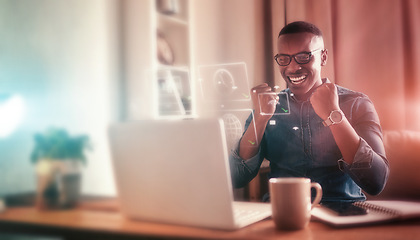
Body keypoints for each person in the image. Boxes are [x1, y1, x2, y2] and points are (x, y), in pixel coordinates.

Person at [229, 21, 389, 203]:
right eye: (284, 59)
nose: (292, 68)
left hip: (342, 215)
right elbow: (236, 177)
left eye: (303, 56)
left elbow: (376, 181)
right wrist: (259, 120)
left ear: (323, 57)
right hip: (281, 215)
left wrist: (334, 115)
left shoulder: (357, 103)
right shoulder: (268, 107)